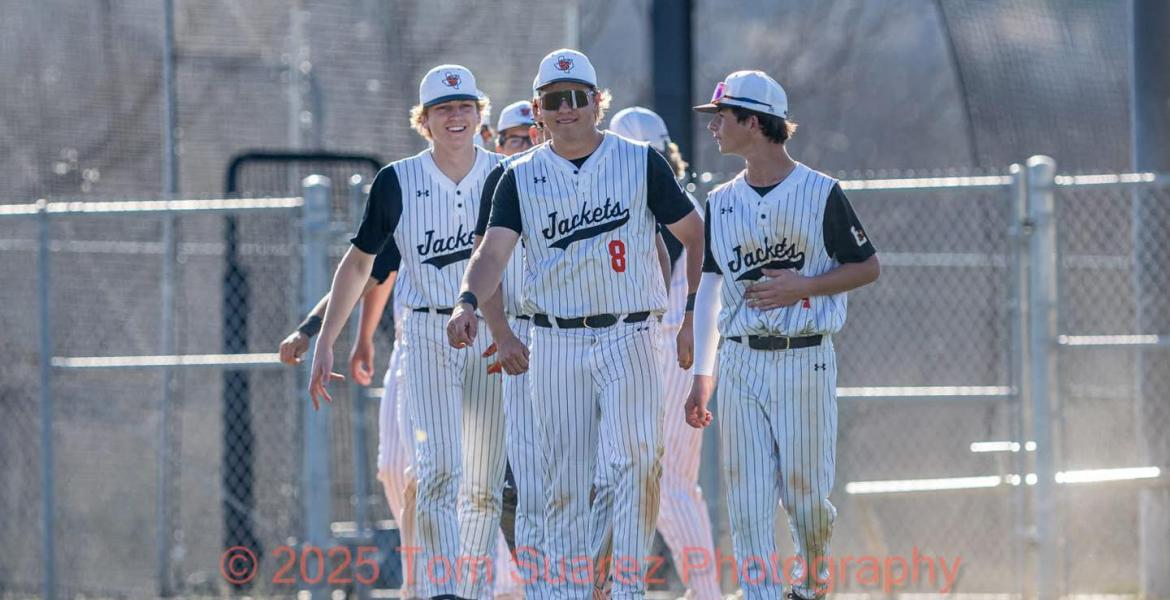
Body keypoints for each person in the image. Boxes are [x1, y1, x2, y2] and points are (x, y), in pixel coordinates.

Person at [448, 49, 705, 600]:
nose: (566, 109)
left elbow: (691, 232)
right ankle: (571, 591)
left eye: (576, 98)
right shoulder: (519, 176)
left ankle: (623, 587)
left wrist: (685, 314)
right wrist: (468, 302)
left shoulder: (639, 161)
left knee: (638, 464)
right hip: (556, 339)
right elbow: (491, 253)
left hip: (629, 333)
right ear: (538, 110)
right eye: (553, 100)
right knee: (562, 485)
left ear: (596, 103)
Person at [308, 63, 511, 600]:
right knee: (438, 468)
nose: (456, 117)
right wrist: (327, 337)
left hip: (490, 329)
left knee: (484, 483)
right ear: (424, 121)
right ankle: (444, 589)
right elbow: (359, 265)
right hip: (427, 333)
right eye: (443, 109)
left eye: (465, 107)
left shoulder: (505, 174)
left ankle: (476, 589)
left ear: (479, 114)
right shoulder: (397, 180)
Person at [685, 70, 880, 600]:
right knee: (746, 501)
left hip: (804, 358)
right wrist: (704, 373)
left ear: (753, 121)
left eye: (722, 117)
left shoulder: (819, 192)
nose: (715, 127)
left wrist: (807, 286)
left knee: (806, 498)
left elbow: (866, 266)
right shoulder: (721, 200)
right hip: (743, 359)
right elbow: (709, 285)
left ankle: (813, 579)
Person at [586, 106, 721, 600]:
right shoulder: (643, 204)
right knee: (651, 479)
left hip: (674, 344)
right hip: (650, 347)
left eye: (655, 157)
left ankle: (704, 590)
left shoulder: (674, 208)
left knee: (667, 483)